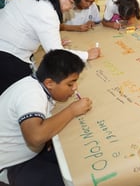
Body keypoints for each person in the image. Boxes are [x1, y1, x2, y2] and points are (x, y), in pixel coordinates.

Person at [0, 49, 92, 186]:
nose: (74, 88)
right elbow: (35, 137)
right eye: (70, 84)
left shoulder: (37, 84)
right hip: (13, 163)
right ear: (49, 83)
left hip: (28, 152)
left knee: (78, 162)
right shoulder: (32, 94)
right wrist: (72, 110)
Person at [0, 0, 101, 95]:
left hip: (6, 43)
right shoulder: (47, 12)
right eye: (71, 2)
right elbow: (56, 53)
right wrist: (87, 55)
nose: (70, 7)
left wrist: (50, 40)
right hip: (7, 56)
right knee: (19, 94)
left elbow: (30, 25)